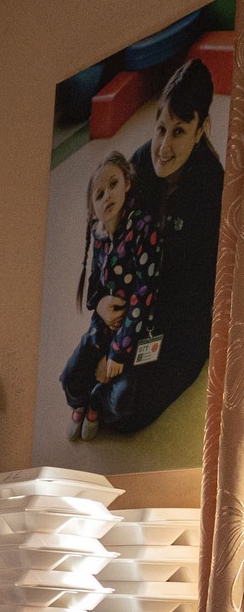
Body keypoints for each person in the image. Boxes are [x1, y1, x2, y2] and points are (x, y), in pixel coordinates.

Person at [94, 58, 225, 436]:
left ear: (201, 130)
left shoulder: (212, 187)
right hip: (132, 302)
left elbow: (201, 289)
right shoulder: (137, 166)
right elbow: (106, 244)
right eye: (161, 129)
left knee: (127, 410)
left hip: (178, 319)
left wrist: (141, 326)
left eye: (179, 132)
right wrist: (102, 301)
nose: (164, 147)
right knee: (83, 368)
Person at [61, 153, 160, 439]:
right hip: (102, 324)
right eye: (99, 194)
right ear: (93, 210)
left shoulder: (143, 226)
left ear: (127, 183)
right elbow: (96, 282)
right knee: (70, 378)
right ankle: (80, 404)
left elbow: (145, 292)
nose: (108, 196)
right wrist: (100, 305)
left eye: (113, 184)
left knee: (122, 399)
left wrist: (117, 352)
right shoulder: (98, 234)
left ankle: (95, 404)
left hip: (132, 332)